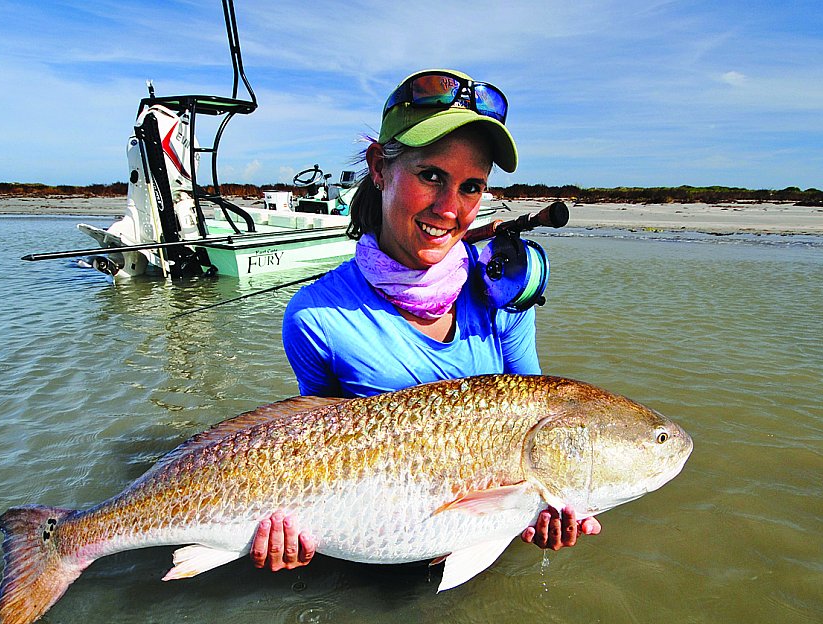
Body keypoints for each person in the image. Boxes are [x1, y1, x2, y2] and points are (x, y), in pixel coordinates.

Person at [250, 69, 600, 572]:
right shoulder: (315, 318)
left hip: (476, 542)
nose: (449, 209)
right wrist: (287, 539)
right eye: (431, 175)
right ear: (379, 167)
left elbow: (533, 413)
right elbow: (310, 443)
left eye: (472, 186)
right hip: (370, 553)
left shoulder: (505, 293)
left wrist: (542, 507)